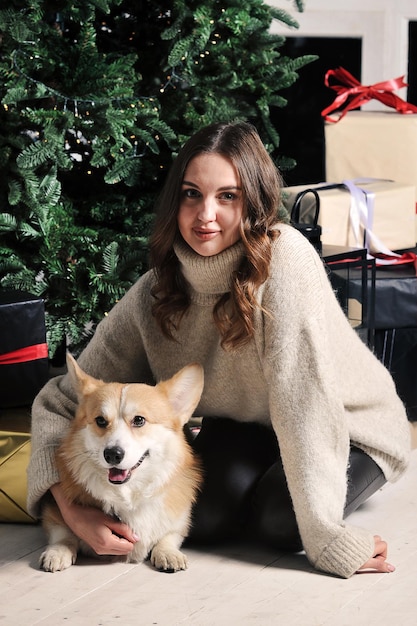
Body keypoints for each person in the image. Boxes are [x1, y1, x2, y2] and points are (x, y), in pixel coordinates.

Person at [27, 121, 411, 579]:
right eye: (192, 194)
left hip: (347, 425)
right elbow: (61, 401)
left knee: (281, 522)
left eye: (227, 196)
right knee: (203, 520)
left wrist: (327, 537)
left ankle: (333, 492)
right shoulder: (158, 288)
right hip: (253, 425)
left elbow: (305, 403)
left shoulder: (286, 261)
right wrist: (70, 510)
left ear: (254, 202)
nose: (205, 214)